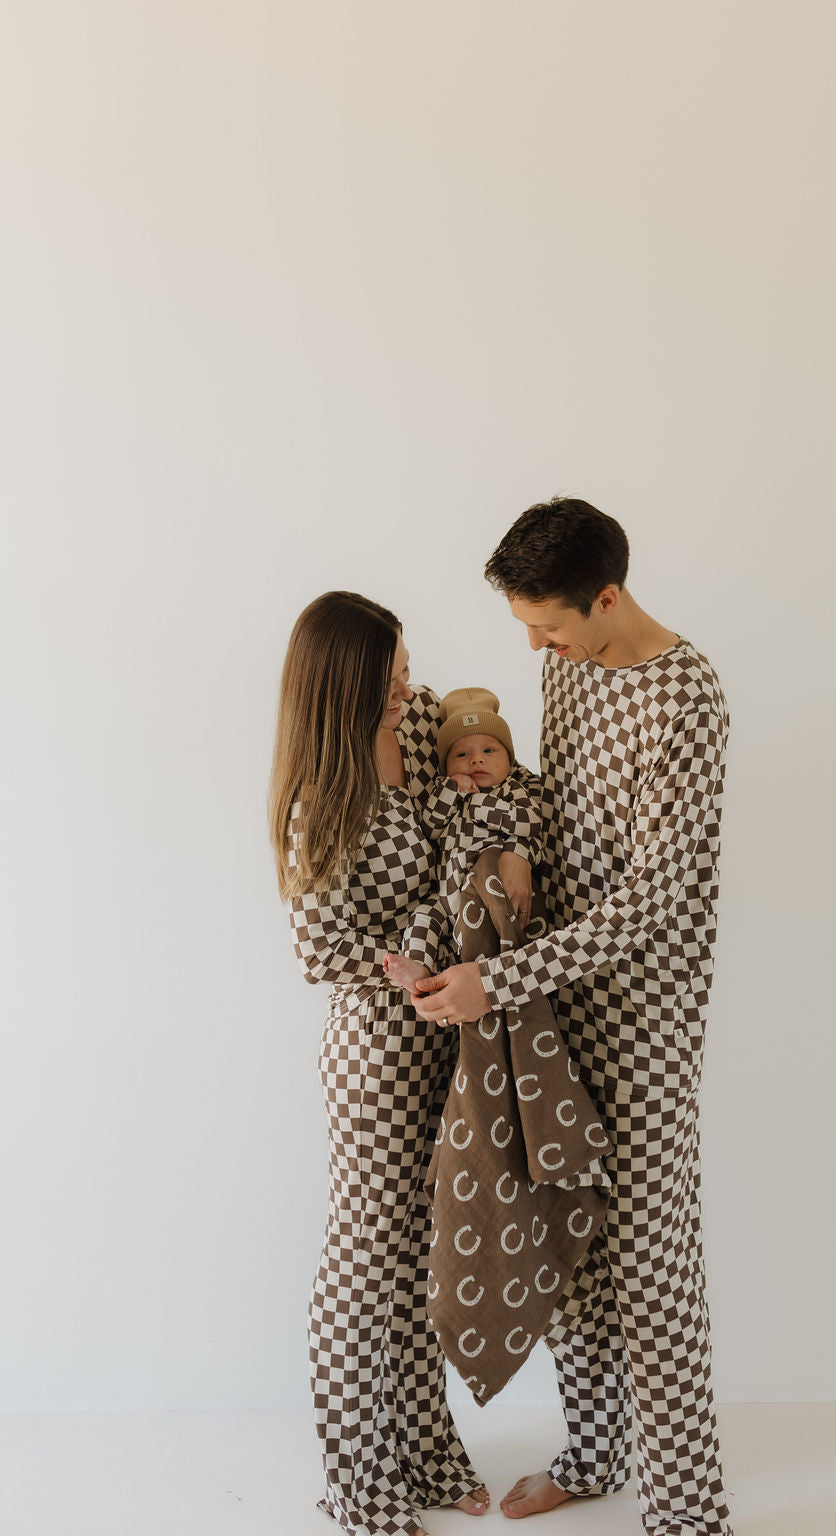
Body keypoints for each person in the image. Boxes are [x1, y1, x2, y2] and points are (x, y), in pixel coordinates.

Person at [413, 501, 734, 1536]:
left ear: (607, 597)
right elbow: (548, 818)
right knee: (574, 1253)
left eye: (546, 624)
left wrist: (495, 983)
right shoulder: (564, 662)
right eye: (522, 626)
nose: (532, 645)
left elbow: (649, 901)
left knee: (653, 1272)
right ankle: (595, 1455)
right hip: (551, 1005)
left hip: (640, 1019)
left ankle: (689, 1516)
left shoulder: (687, 696)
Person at [268, 591, 491, 1536]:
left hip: (448, 1039)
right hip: (379, 1056)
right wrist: (410, 962)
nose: (409, 682)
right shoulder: (323, 800)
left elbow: (486, 755)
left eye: (405, 661)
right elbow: (319, 950)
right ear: (345, 682)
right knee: (366, 1266)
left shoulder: (426, 718)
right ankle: (360, 1482)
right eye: (391, 671)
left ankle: (428, 1452)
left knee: (422, 1264)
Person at [383, 686, 543, 996]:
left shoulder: (512, 791)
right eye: (462, 754)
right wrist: (451, 790)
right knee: (422, 918)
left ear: (509, 763)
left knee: (496, 936)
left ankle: (499, 984)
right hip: (445, 894)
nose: (476, 761)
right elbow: (429, 827)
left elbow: (530, 823)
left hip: (486, 892)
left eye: (488, 751)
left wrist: (480, 805)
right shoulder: (447, 792)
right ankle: (418, 966)